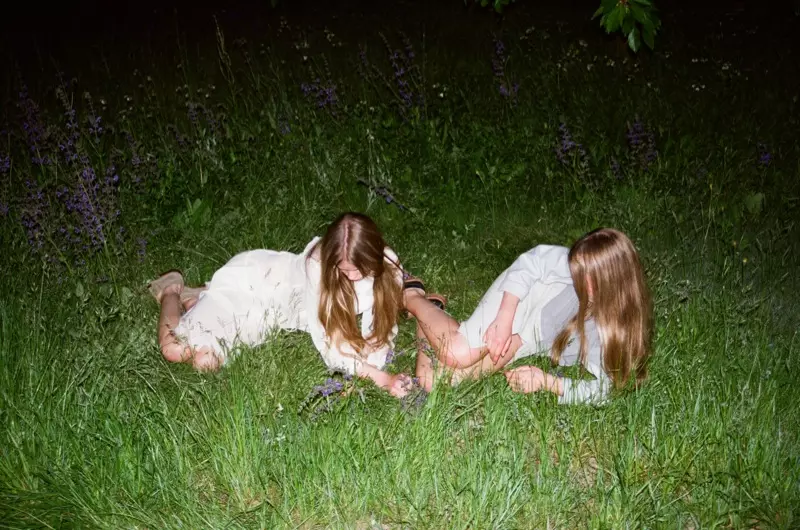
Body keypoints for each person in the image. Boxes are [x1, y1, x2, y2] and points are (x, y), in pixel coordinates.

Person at [147, 212, 413, 397]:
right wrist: (384, 380)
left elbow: (382, 327)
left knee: (206, 362)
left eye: (360, 269)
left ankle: (198, 300)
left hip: (267, 315)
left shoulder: (388, 265)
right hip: (252, 286)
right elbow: (334, 350)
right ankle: (172, 289)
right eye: (346, 271)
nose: (354, 277)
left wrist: (377, 362)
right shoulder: (319, 270)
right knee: (174, 348)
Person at [403, 228, 653, 404]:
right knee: (457, 352)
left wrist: (547, 382)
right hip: (521, 298)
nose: (578, 281)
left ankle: (428, 312)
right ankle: (411, 296)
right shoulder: (578, 263)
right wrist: (504, 318)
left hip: (526, 339)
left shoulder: (615, 332)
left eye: (589, 279)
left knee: (433, 382)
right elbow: (533, 261)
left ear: (616, 282)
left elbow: (606, 391)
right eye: (578, 272)